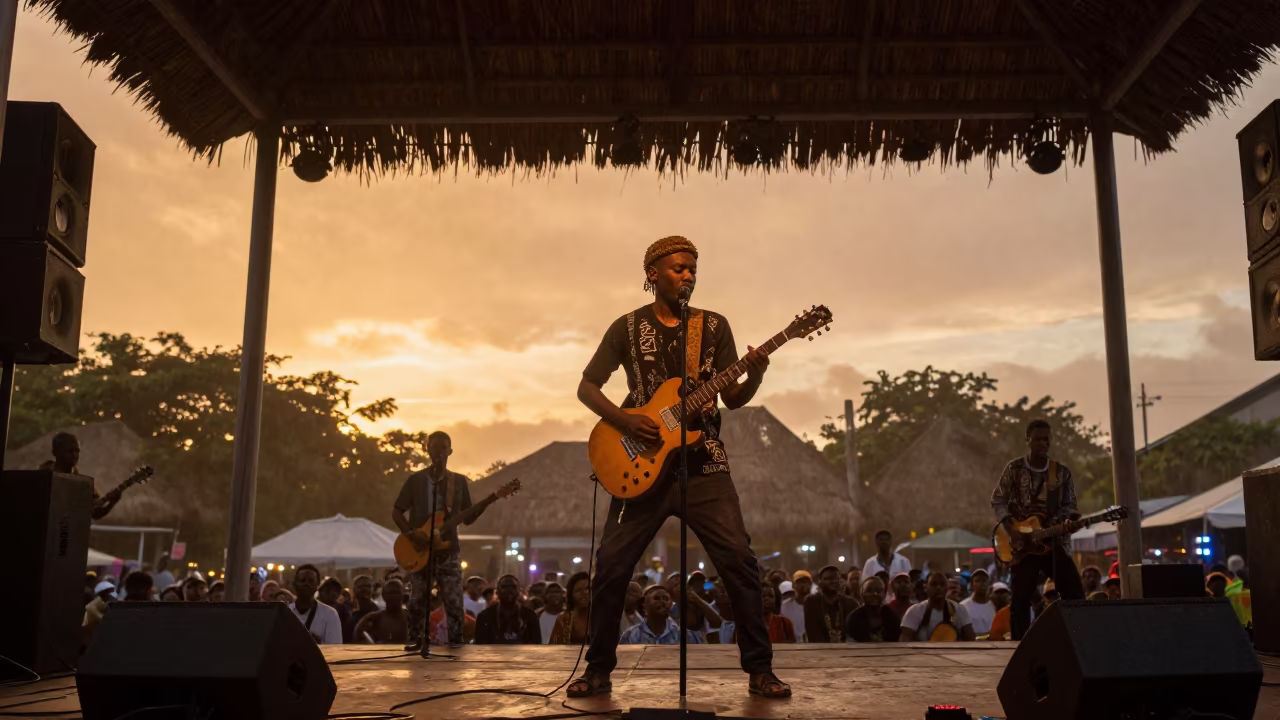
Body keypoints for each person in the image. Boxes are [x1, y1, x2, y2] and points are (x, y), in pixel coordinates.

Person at [569, 236, 788, 699]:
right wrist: (626, 419)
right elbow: (587, 387)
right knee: (610, 568)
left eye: (693, 268)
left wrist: (758, 373)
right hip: (641, 465)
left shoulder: (713, 326)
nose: (688, 275)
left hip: (704, 461)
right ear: (652, 273)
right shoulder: (626, 328)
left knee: (741, 564)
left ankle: (760, 670)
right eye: (679, 268)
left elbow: (732, 397)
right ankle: (599, 670)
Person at [392, 431, 491, 651]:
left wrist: (486, 503)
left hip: (448, 550)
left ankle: (456, 641)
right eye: (434, 447)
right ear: (427, 449)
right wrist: (411, 534)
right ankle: (416, 638)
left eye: (443, 447)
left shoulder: (459, 482)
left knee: (454, 600)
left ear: (450, 451)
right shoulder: (415, 481)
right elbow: (397, 512)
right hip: (419, 549)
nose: (438, 452)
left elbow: (468, 518)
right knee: (417, 599)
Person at [991, 419, 1086, 640]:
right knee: (1020, 600)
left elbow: (1070, 505)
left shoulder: (1061, 473)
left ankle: (1080, 641)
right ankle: (1018, 649)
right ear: (1028, 441)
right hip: (1023, 547)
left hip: (1051, 541)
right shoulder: (1014, 469)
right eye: (1037, 439)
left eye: (1046, 439)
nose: (1042, 443)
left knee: (1074, 592)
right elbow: (998, 500)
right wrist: (1010, 528)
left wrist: (1069, 520)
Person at [900, 572, 975, 642]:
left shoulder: (959, 609)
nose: (939, 587)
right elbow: (904, 643)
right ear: (925, 588)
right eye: (934, 584)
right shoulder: (914, 611)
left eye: (942, 584)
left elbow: (971, 640)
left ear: (947, 587)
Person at [619, 585, 703, 646]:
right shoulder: (630, 636)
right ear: (644, 604)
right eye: (656, 598)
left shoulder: (684, 635)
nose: (663, 602)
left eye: (666, 599)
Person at [475, 575, 541, 645]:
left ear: (519, 591)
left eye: (513, 587)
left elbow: (536, 644)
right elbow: (480, 646)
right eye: (504, 587)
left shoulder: (530, 616)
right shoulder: (485, 617)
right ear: (497, 592)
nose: (509, 590)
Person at [804, 565, 859, 644]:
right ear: (820, 581)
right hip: (820, 650)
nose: (833, 581)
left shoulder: (851, 603)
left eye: (836, 578)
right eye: (828, 579)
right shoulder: (812, 601)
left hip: (847, 649)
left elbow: (854, 633)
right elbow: (813, 633)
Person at [289, 565, 343, 644]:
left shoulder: (330, 614)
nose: (306, 584)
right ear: (294, 584)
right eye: (302, 580)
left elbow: (335, 649)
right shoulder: (285, 612)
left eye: (311, 581)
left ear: (317, 585)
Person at [845, 577, 900, 643]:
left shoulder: (892, 616)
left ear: (884, 595)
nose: (874, 594)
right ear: (861, 594)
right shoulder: (854, 618)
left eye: (878, 591)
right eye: (869, 590)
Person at [352, 579, 409, 644]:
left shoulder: (411, 617)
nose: (394, 596)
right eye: (390, 593)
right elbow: (358, 635)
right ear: (383, 595)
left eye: (396, 592)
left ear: (403, 595)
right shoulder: (375, 618)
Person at [550, 572, 592, 644]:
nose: (585, 592)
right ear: (571, 595)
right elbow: (554, 650)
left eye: (588, 588)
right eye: (578, 590)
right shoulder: (564, 620)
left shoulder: (604, 618)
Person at [959, 569, 995, 637]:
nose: (982, 584)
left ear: (989, 584)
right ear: (972, 584)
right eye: (978, 581)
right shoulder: (963, 606)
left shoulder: (993, 606)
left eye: (984, 580)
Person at [319, 577, 353, 643]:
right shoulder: (313, 609)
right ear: (322, 592)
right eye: (331, 590)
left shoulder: (342, 610)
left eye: (337, 591)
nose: (335, 594)